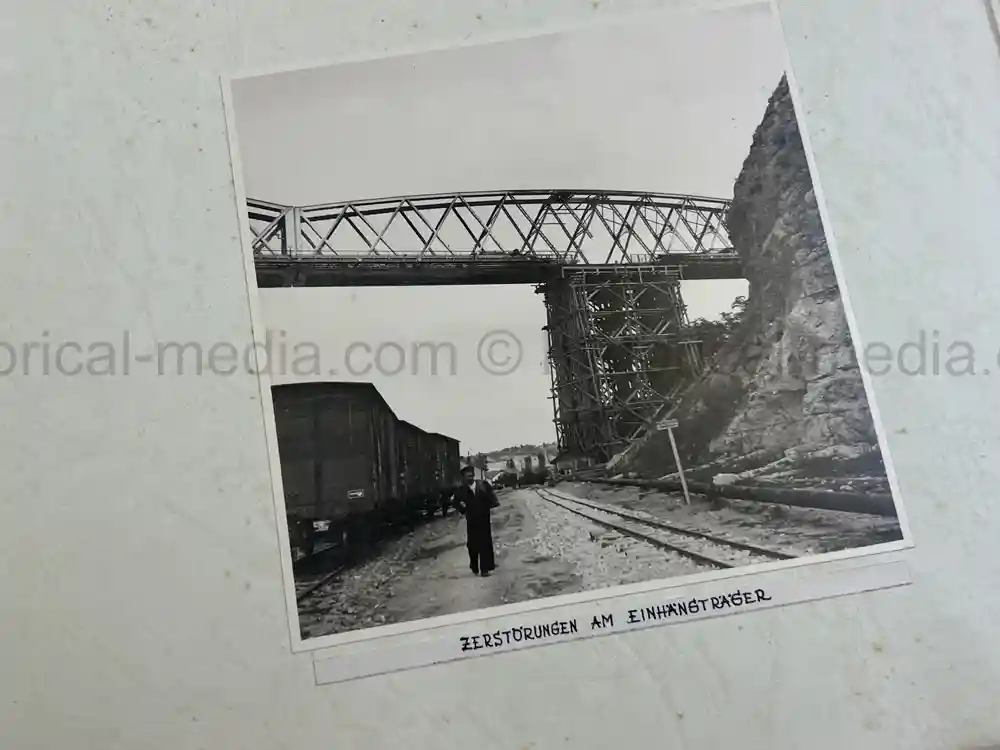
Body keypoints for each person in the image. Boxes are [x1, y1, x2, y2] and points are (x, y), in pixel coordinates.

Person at [453, 465, 499, 577]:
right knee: (472, 545)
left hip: (484, 518)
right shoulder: (461, 490)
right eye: (467, 476)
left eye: (471, 475)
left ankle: (485, 569)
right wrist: (463, 510)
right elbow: (455, 502)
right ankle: (474, 566)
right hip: (472, 520)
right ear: (463, 478)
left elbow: (492, 498)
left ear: (473, 475)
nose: (469, 478)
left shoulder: (483, 485)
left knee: (485, 543)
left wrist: (489, 507)